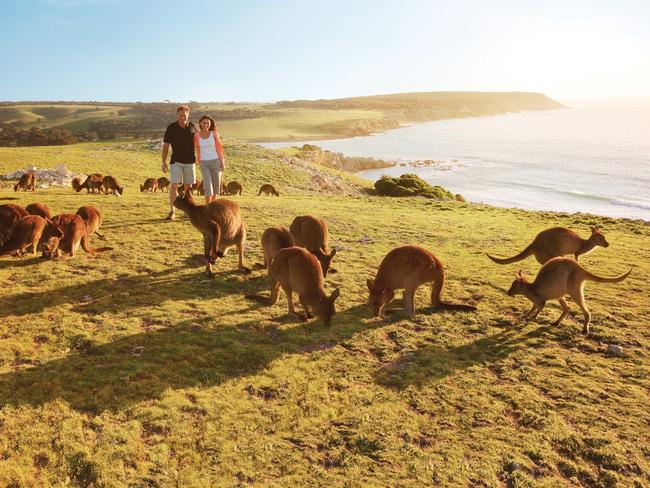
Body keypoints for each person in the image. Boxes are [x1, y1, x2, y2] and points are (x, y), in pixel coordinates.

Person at [161, 105, 197, 220]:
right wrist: (163, 162)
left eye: (184, 115)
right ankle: (172, 211)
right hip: (175, 161)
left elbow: (198, 144)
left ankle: (187, 211)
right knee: (174, 186)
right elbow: (166, 146)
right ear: (178, 115)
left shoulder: (193, 127)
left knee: (188, 187)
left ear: (188, 115)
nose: (182, 117)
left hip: (190, 162)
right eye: (180, 115)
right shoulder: (171, 127)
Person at [194, 115, 226, 203]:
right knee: (207, 185)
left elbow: (219, 149)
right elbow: (196, 148)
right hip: (204, 163)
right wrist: (198, 160)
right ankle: (207, 207)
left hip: (216, 161)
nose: (206, 125)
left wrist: (222, 163)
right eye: (204, 123)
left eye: (208, 123)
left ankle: (212, 206)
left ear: (210, 124)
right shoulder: (196, 135)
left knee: (216, 185)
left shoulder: (214, 134)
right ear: (200, 123)